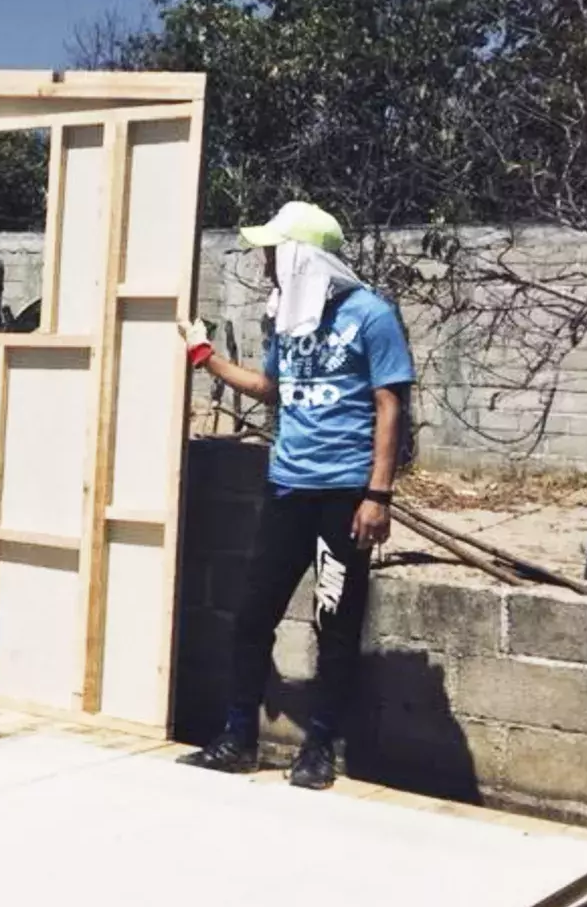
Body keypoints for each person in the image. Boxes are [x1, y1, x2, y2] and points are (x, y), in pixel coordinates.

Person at [177, 201, 414, 790]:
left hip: (345, 494)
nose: (265, 266)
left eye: (273, 254)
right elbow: (272, 388)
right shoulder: (288, 319)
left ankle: (319, 750)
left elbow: (391, 405)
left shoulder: (372, 316)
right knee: (253, 614)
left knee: (335, 622)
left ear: (303, 258)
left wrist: (377, 495)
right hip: (287, 487)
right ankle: (238, 739)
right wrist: (204, 358)